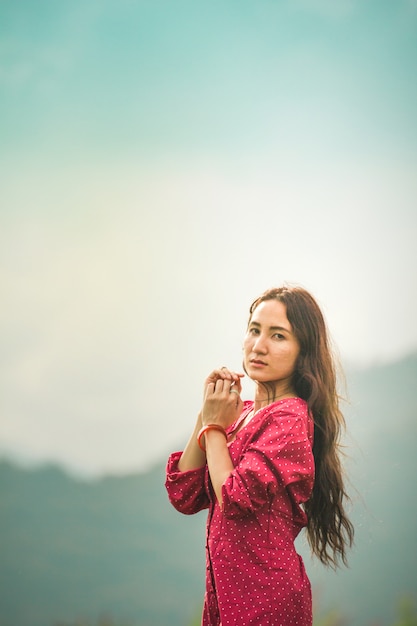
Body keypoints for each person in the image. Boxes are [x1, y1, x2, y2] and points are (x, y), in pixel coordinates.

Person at [165, 285, 354, 626]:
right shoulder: (241, 414)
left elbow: (234, 498)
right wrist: (207, 415)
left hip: (267, 601)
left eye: (278, 336)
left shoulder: (289, 421)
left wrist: (215, 428)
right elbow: (185, 494)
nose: (259, 345)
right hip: (225, 601)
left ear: (303, 351)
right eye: (254, 330)